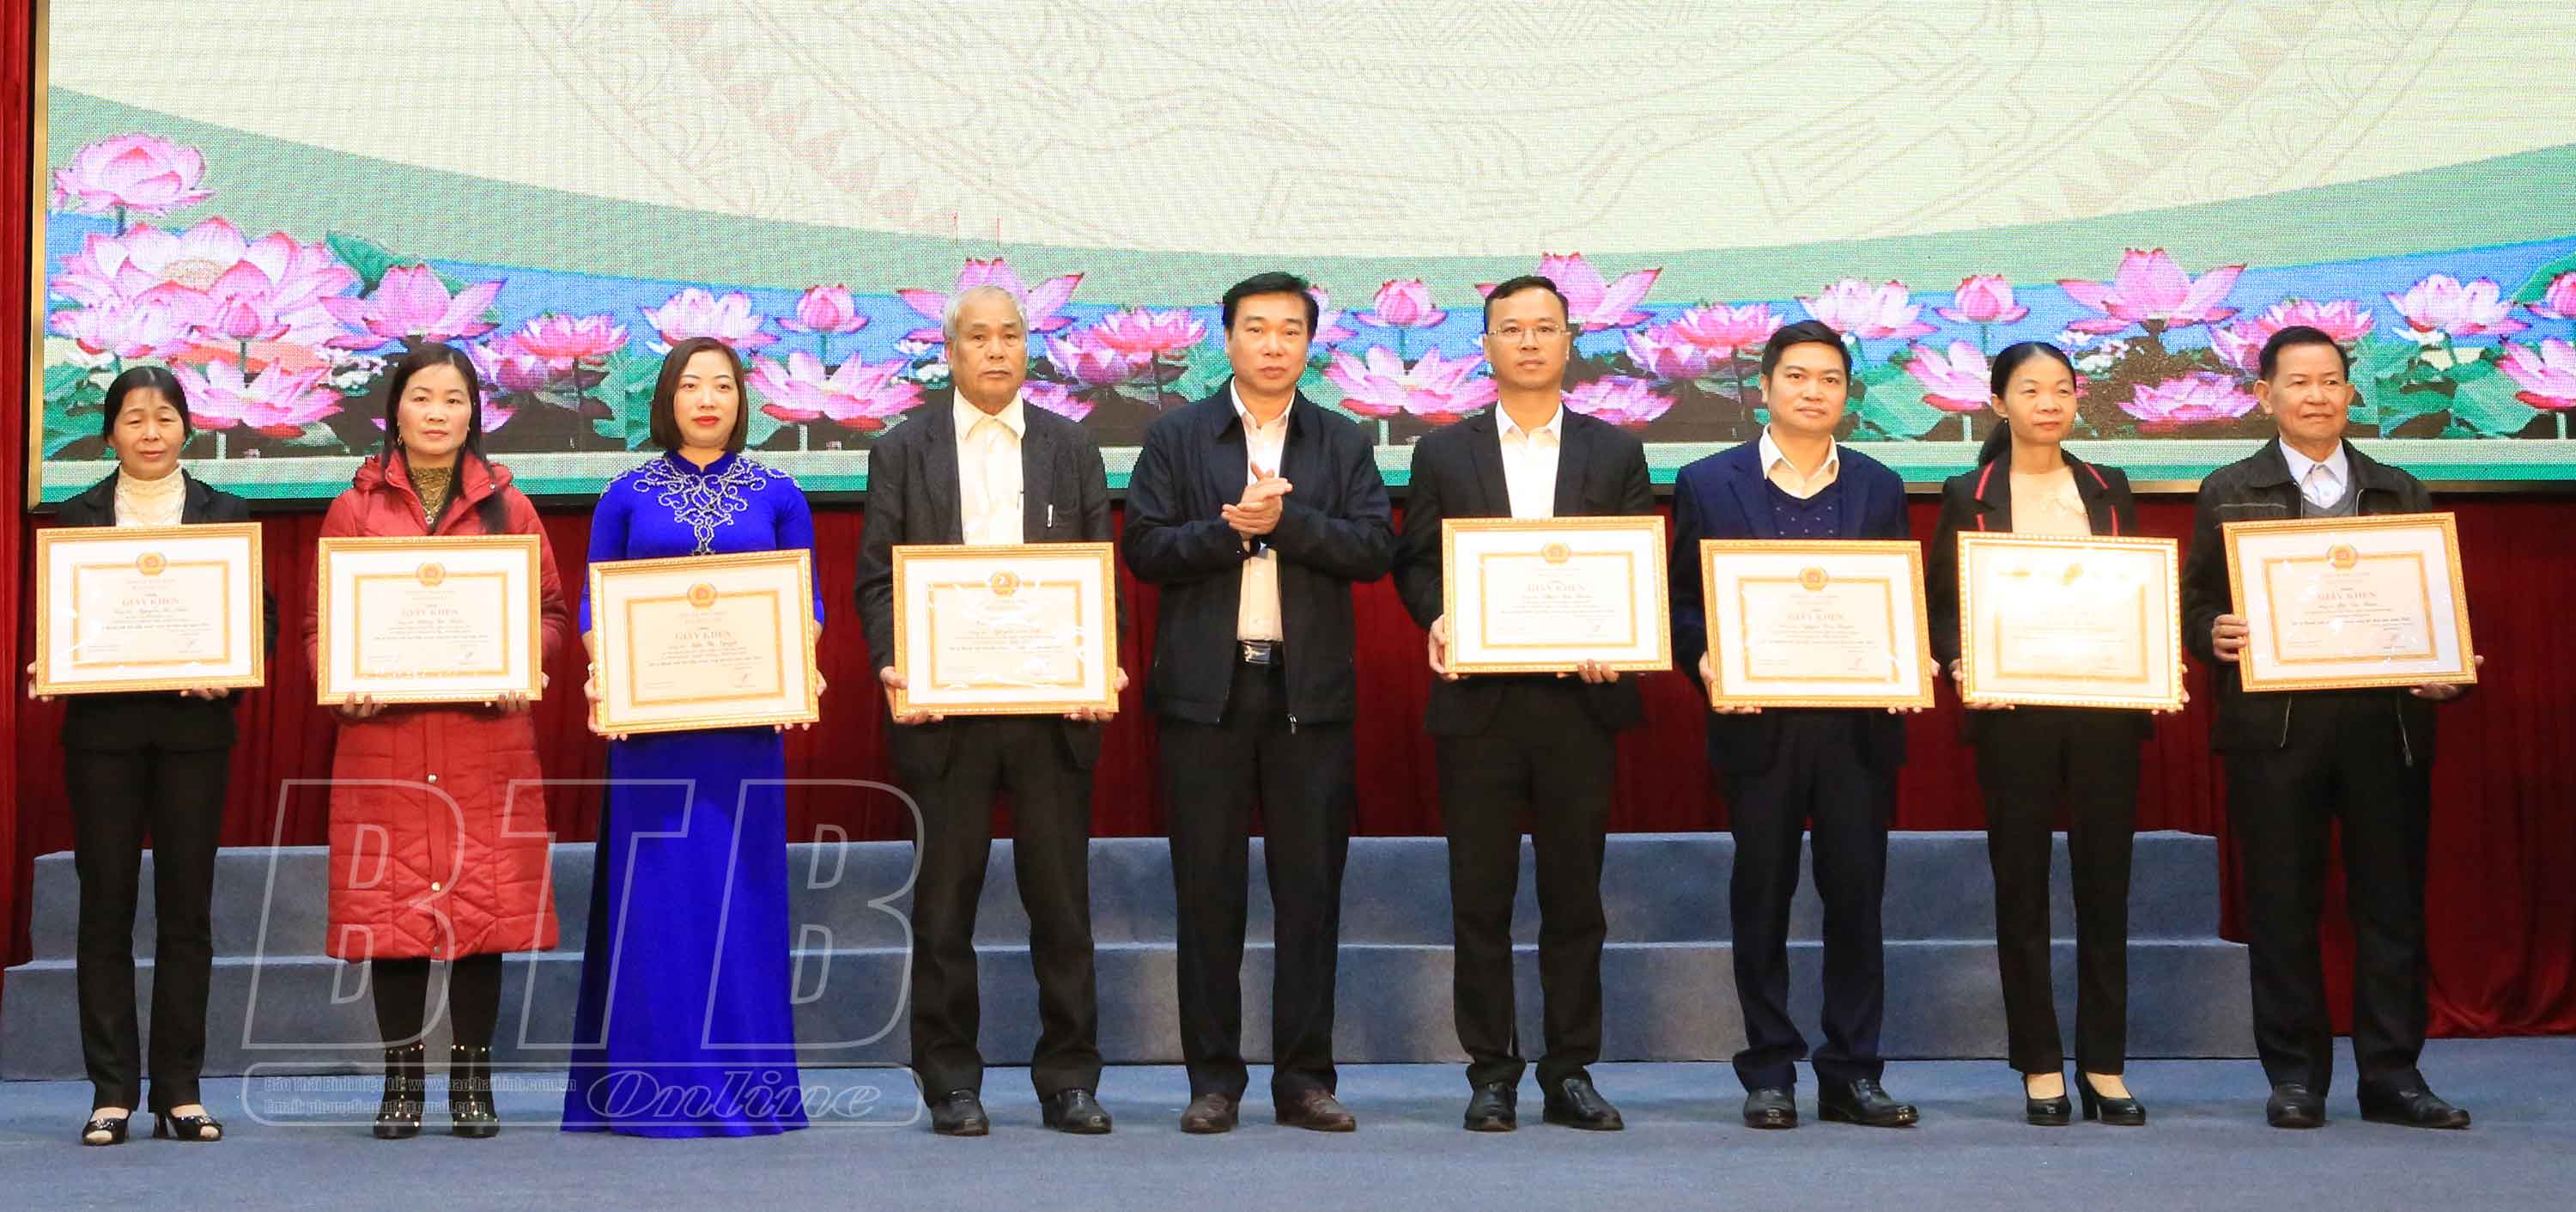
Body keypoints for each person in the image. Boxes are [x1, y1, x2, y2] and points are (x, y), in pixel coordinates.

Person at [2181, 325, 2479, 1131]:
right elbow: (2196, 604)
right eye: (2298, 382)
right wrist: (2211, 632)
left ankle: (2392, 1075)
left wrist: (2448, 667)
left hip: (2387, 727)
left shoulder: (2399, 489)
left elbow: (2435, 610)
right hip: (2276, 730)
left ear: (2351, 393)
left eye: (2330, 381)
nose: (2316, 396)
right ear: (2264, 396)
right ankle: (2295, 1078)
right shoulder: (2227, 489)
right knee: (2281, 906)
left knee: (2391, 907)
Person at [1123, 271, 1394, 1133]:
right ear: (1228, 338)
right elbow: (1143, 548)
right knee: (1207, 892)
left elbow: (1375, 549)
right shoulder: (1176, 436)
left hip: (1307, 696)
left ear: (1310, 343)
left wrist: (1287, 523)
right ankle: (1213, 1080)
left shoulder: (1341, 440)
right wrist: (1229, 530)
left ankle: (1305, 1078)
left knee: (1310, 893)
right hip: (1204, 695)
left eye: (1290, 330)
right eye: (1256, 328)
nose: (1273, 345)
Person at [857, 285, 1127, 1136]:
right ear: (951, 351)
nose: (997, 349)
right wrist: (896, 662)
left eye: (1011, 334)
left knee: (1063, 907)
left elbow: (1098, 572)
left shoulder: (1071, 446)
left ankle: (1070, 1079)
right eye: (979, 336)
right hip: (945, 714)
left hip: (1051, 711)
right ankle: (950, 1081)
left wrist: (1100, 659)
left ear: (1027, 348)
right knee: (943, 910)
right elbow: (878, 579)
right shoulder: (902, 449)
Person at [1392, 275, 1647, 1133]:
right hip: (1481, 709)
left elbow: (1635, 570)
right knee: (1481, 900)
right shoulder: (1443, 452)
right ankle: (1492, 1073)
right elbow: (1416, 561)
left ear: (1571, 341)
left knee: (1576, 901)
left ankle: (1570, 1070)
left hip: (1581, 707)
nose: (1530, 342)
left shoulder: (1615, 452)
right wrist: (1438, 615)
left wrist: (1622, 638)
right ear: (1487, 346)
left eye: (1545, 327)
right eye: (1512, 329)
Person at [562, 336, 825, 1138]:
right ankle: (656, 1086)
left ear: (741, 400)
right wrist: (608, 671)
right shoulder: (626, 494)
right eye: (690, 384)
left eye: (723, 385)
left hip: (744, 736)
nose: (707, 399)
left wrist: (796, 669)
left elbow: (807, 605)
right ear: (667, 398)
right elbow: (593, 606)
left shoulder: (780, 493)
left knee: (741, 907)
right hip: (653, 736)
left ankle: (749, 1088)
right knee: (659, 909)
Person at [309, 342, 572, 1139]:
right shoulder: (354, 507)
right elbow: (324, 626)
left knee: (481, 915)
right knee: (395, 919)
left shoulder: (509, 506)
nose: (437, 413)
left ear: (474, 413)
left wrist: (523, 663)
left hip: (483, 741)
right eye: (422, 398)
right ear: (395, 411)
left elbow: (550, 612)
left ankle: (471, 1078)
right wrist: (340, 681)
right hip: (384, 742)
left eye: (454, 400)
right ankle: (400, 1080)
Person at [1669, 320, 1922, 1130]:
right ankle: (1769, 1069)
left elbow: (1898, 598)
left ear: (1848, 395)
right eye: (1798, 376)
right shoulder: (1707, 481)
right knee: (1762, 898)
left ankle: (1853, 1072)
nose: (1814, 391)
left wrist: (1907, 655)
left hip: (1857, 728)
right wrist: (1705, 659)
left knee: (1858, 901)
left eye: (1831, 379)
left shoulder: (1880, 485)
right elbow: (1681, 604)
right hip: (1758, 725)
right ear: (1767, 386)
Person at [1923, 342, 2159, 1126]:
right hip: (2013, 714)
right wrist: (1962, 659)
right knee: (2021, 889)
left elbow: (2137, 590)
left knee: (2105, 888)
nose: (2049, 403)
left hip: (2104, 711)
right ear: (1999, 402)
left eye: (2063, 389)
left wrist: (2153, 652)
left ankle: (2105, 1063)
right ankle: (2039, 1064)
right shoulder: (1968, 492)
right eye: (2030, 390)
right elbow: (1943, 603)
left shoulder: (2107, 485)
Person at [39, 367, 265, 1146]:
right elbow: (59, 619)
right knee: (104, 909)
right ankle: (110, 1091)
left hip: (193, 735)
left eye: (165, 416)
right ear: (110, 433)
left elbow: (258, 622)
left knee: (186, 913)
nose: (150, 431)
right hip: (101, 736)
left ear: (188, 429)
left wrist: (232, 668)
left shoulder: (225, 513)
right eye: (133, 418)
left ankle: (179, 1089)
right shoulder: (75, 516)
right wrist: (50, 658)